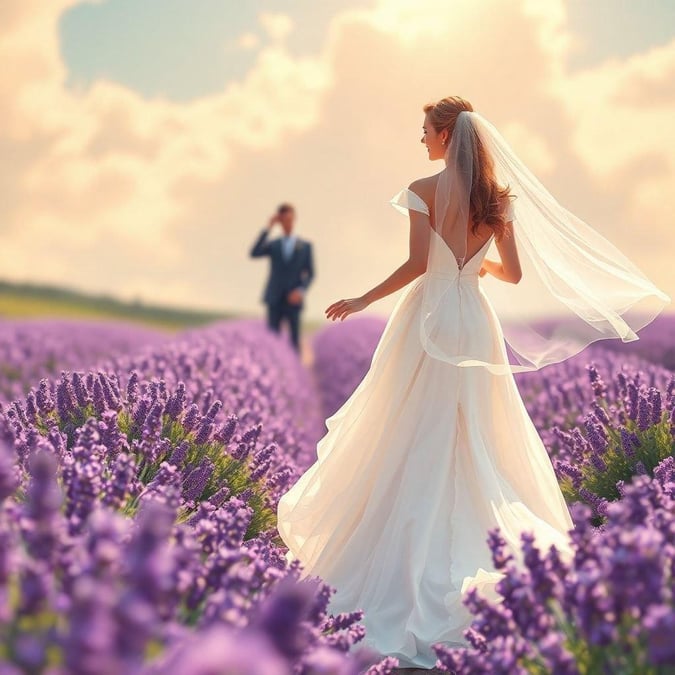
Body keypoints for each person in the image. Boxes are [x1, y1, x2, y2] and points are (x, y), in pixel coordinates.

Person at [276, 96, 669, 669]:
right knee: (474, 429)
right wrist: (471, 260)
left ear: (444, 136)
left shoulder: (423, 189)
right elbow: (510, 274)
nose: (422, 140)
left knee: (410, 422)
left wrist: (363, 298)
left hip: (430, 314)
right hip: (473, 318)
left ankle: (402, 551)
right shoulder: (498, 199)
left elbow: (416, 264)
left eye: (426, 131)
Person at [250, 203, 314, 353]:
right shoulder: (274, 245)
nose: (288, 223)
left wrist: (300, 290)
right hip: (274, 297)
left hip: (294, 299)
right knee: (272, 339)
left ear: (294, 219)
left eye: (290, 219)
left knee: (294, 341)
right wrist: (268, 228)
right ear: (280, 221)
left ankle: (294, 373)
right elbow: (254, 252)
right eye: (284, 220)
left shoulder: (305, 246)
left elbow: (310, 273)